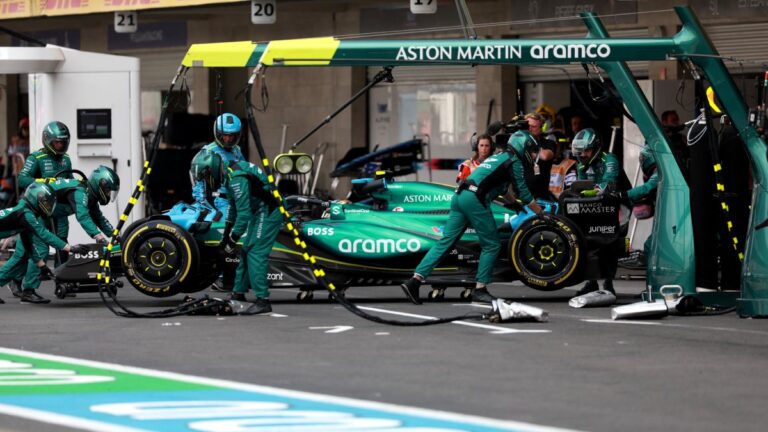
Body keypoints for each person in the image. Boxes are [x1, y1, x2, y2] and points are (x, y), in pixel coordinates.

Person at [400, 131, 543, 305]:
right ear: (523, 147)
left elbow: (504, 189)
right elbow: (524, 192)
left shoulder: (499, 157)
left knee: (445, 242)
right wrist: (541, 214)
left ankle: (414, 281)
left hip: (460, 196)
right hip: (475, 199)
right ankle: (480, 289)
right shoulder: (514, 161)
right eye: (532, 150)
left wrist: (513, 204)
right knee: (492, 244)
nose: (534, 155)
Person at [4, 167, 119, 302]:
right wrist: (98, 236)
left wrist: (115, 235)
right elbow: (83, 217)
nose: (108, 194)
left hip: (44, 214)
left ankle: (16, 280)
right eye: (107, 190)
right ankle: (28, 291)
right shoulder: (80, 193)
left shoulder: (90, 196)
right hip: (33, 212)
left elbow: (99, 218)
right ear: (100, 184)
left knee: (24, 253)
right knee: (38, 251)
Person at [190, 150, 282, 315]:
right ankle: (238, 293)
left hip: (268, 211)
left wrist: (232, 240)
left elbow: (244, 214)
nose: (206, 182)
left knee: (256, 252)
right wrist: (226, 235)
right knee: (246, 251)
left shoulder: (236, 178)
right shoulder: (229, 173)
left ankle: (263, 301)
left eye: (205, 177)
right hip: (259, 210)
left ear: (211, 169)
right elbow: (233, 207)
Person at [0, 183, 88, 304]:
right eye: (46, 202)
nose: (48, 206)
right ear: (36, 199)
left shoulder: (25, 214)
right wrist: (70, 248)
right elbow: (44, 234)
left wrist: (42, 266)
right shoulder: (26, 215)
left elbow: (29, 246)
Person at [191, 113, 245, 292]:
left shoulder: (237, 150)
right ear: (217, 133)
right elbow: (198, 185)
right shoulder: (208, 153)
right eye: (225, 135)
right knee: (226, 236)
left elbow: (245, 172)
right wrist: (208, 207)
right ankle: (221, 277)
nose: (229, 139)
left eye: (233, 135)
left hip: (237, 199)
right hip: (220, 202)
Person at [571, 128, 620, 295]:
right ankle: (590, 282)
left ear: (596, 147)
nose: (583, 154)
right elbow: (580, 186)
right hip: (590, 208)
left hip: (610, 205)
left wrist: (592, 191)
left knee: (609, 244)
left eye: (586, 150)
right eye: (580, 151)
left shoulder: (610, 160)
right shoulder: (581, 165)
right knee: (587, 242)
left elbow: (609, 184)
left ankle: (608, 283)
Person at [17, 121, 73, 263]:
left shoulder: (66, 159)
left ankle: (62, 280)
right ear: (48, 140)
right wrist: (45, 182)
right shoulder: (36, 158)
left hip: (59, 209)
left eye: (63, 143)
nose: (61, 146)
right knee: (39, 247)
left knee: (63, 241)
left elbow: (70, 180)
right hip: (39, 209)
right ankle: (21, 279)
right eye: (57, 143)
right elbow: (22, 179)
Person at [524, 113, 557, 199]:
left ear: (541, 128)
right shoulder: (519, 143)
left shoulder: (549, 143)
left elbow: (545, 156)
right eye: (528, 126)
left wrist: (531, 144)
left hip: (541, 196)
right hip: (521, 195)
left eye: (533, 126)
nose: (529, 129)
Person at [661, 110, 689, 181]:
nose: (677, 122)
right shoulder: (659, 140)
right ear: (664, 123)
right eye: (673, 120)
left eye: (677, 120)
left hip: (683, 177)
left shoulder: (682, 138)